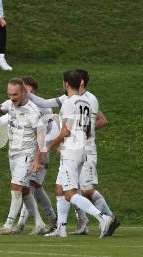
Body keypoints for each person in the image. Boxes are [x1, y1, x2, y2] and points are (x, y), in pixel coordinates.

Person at [27, 70, 120, 237]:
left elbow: (65, 131)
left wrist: (48, 146)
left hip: (71, 151)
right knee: (59, 189)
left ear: (66, 84)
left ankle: (103, 217)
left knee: (71, 194)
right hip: (79, 149)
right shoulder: (86, 102)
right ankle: (61, 229)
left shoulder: (69, 102)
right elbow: (86, 128)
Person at [0, 79, 48, 235]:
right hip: (13, 153)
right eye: (9, 94)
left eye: (15, 94)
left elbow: (41, 137)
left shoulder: (33, 111)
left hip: (27, 153)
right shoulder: (10, 104)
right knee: (23, 190)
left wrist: (37, 159)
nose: (12, 97)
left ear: (24, 92)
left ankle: (8, 224)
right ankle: (39, 223)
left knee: (16, 187)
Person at [13, 76, 58, 234]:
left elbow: (49, 131)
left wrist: (46, 148)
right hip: (26, 151)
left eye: (25, 88)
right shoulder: (22, 106)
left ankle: (21, 224)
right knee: (34, 187)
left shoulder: (42, 108)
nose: (23, 91)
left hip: (39, 151)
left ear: (32, 89)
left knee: (29, 186)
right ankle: (52, 219)